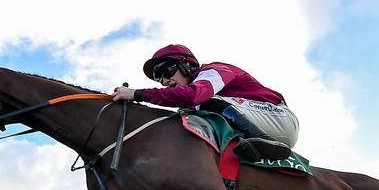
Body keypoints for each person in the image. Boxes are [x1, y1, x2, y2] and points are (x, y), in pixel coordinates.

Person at [113, 44, 299, 162]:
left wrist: (137, 94)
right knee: (184, 121)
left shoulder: (214, 70)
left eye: (167, 72)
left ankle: (266, 141)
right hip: (252, 122)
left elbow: (195, 95)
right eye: (159, 79)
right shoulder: (189, 103)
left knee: (203, 103)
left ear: (188, 65)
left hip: (278, 119)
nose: (165, 81)